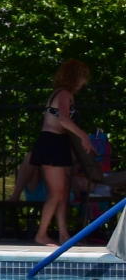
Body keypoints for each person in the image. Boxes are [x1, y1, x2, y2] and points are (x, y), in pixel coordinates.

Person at [34, 59, 94, 246]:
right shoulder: (63, 94)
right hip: (51, 143)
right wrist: (83, 136)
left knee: (63, 191)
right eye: (83, 77)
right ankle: (41, 234)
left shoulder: (66, 95)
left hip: (58, 143)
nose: (85, 82)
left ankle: (63, 234)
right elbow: (64, 120)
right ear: (76, 77)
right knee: (56, 192)